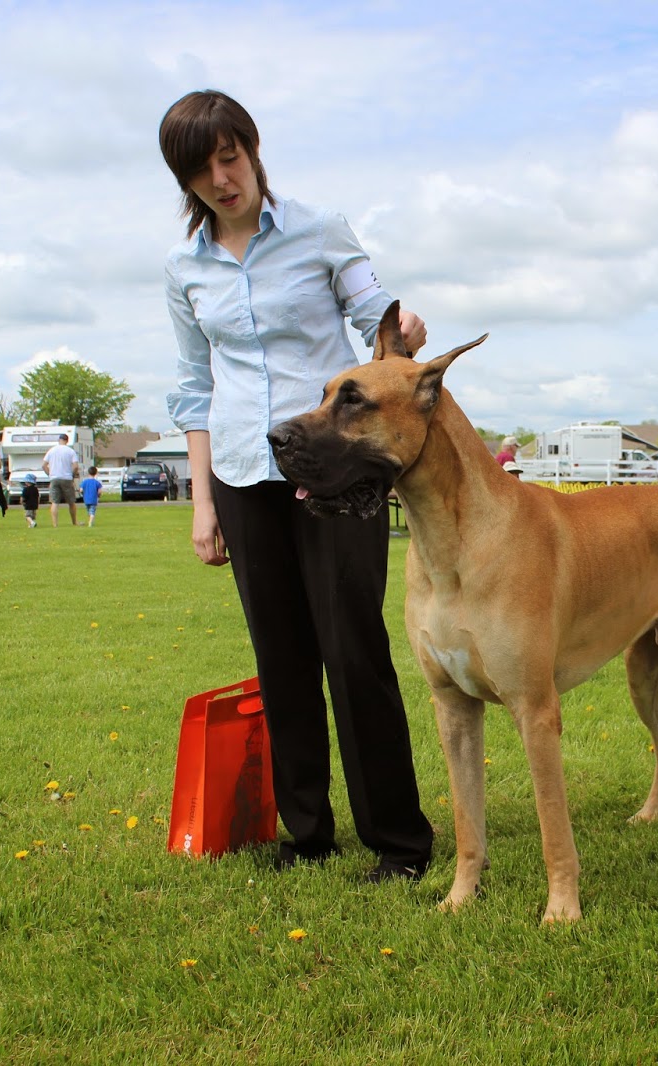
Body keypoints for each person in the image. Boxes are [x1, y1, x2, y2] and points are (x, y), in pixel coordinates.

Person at [159, 89, 433, 881]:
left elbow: (376, 313)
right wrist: (204, 504)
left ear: (251, 148)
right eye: (201, 168)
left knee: (353, 649)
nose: (221, 177)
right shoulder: (186, 270)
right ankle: (307, 832)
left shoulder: (319, 230)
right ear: (185, 180)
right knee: (280, 658)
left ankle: (400, 842)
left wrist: (403, 327)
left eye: (230, 156)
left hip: (334, 466)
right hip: (245, 471)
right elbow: (192, 387)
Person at [43, 433, 81, 527]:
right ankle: (74, 522)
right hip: (66, 477)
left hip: (54, 478)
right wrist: (72, 474)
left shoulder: (51, 450)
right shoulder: (70, 451)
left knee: (54, 502)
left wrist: (49, 474)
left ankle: (55, 524)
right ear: (67, 441)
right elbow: (75, 466)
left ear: (59, 440)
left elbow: (43, 465)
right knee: (71, 502)